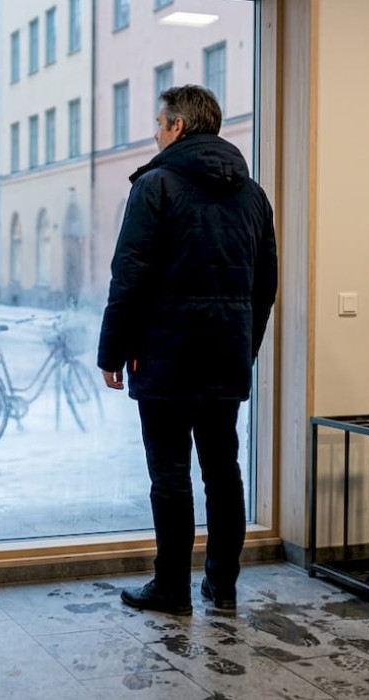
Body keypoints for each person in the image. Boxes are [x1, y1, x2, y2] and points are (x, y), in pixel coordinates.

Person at [98, 85, 277, 615]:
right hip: (225, 358)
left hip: (166, 358)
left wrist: (112, 351)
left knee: (170, 475)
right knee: (224, 473)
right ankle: (222, 586)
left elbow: (128, 276)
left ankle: (171, 587)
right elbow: (264, 286)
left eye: (159, 123)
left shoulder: (155, 186)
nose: (155, 133)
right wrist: (244, 347)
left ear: (178, 127)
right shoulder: (253, 194)